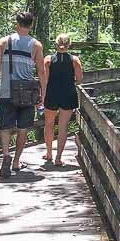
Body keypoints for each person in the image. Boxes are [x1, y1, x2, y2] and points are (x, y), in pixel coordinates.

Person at [0, 11, 47, 179]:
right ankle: (16, 161)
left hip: (6, 92)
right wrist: (43, 93)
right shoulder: (36, 45)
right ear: (31, 25)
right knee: (23, 129)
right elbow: (41, 72)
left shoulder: (3, 42)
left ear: (17, 24)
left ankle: (6, 154)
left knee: (5, 127)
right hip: (27, 94)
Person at [43, 34, 83, 166]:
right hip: (68, 94)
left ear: (56, 44)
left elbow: (45, 80)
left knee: (48, 124)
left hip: (52, 94)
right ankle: (58, 158)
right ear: (69, 45)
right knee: (63, 126)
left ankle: (49, 153)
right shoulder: (74, 60)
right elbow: (79, 79)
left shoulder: (48, 60)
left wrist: (42, 95)